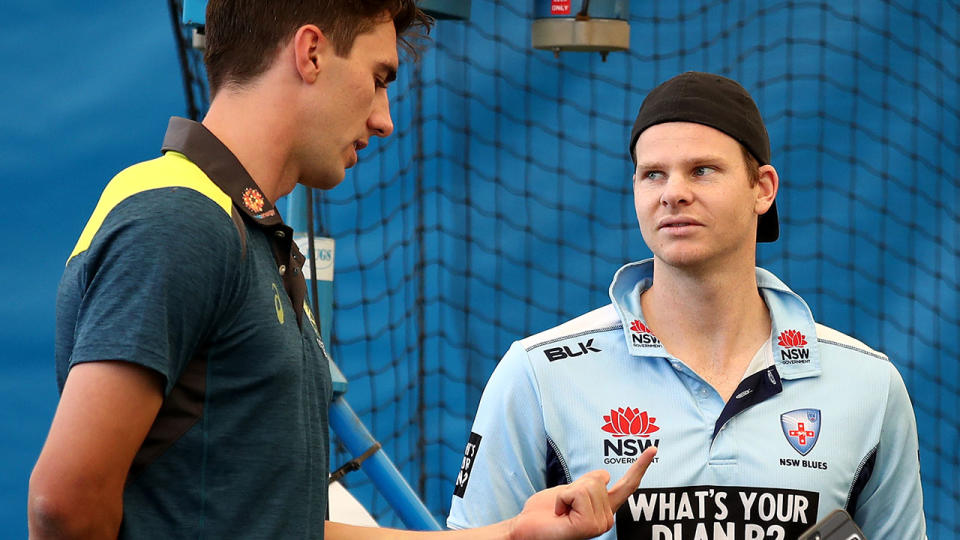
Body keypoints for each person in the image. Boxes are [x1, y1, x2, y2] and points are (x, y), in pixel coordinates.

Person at [26, 1, 658, 538]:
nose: (385, 118)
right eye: (380, 77)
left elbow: (282, 526)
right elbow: (64, 502)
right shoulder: (181, 219)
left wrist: (509, 532)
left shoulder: (233, 227)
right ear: (311, 53)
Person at [447, 71, 926, 539]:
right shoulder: (538, 374)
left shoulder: (868, 384)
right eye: (653, 174)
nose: (673, 193)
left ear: (763, 188)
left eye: (702, 170)